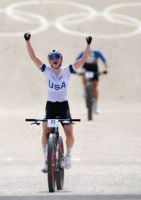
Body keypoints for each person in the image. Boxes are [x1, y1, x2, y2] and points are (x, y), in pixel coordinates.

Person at [24, 32, 92, 172]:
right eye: (52, 58)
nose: (55, 59)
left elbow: (83, 60)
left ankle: (68, 155)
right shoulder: (46, 70)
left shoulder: (67, 70)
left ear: (61, 60)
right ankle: (46, 160)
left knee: (69, 131)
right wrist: (27, 40)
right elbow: (33, 57)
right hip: (50, 106)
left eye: (57, 57)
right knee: (45, 130)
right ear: (49, 61)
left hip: (63, 106)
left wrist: (88, 45)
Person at [76, 50, 108, 114]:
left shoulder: (97, 53)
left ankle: (96, 105)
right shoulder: (83, 53)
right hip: (86, 68)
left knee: (95, 87)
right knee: (83, 75)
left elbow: (104, 60)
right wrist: (77, 69)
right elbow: (77, 61)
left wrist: (105, 68)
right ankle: (84, 89)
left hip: (94, 69)